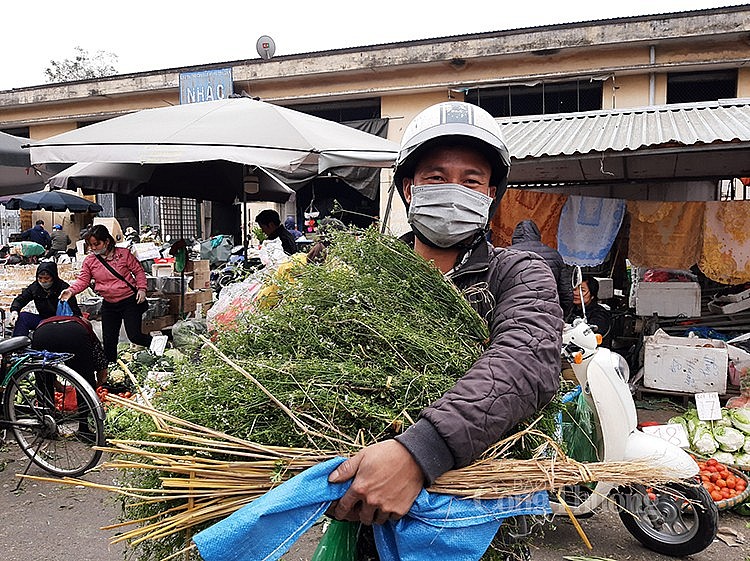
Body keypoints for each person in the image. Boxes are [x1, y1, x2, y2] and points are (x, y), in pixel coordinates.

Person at [327, 102, 563, 529]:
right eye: (435, 177)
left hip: (473, 517)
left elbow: (525, 360)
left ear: (491, 196)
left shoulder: (516, 272)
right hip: (364, 504)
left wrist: (419, 451)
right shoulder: (367, 274)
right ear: (408, 189)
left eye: (471, 180)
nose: (454, 190)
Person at [60, 224, 152, 363]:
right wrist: (71, 291)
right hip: (109, 304)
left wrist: (141, 289)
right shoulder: (90, 261)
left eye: (96, 244)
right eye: (90, 245)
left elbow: (138, 271)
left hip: (129, 301)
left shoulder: (123, 254)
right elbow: (83, 280)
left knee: (134, 336)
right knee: (109, 340)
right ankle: (110, 369)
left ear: (106, 241)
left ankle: (159, 345)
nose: (93, 248)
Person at [511, 219, 574, 315]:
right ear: (537, 234)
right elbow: (565, 292)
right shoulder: (554, 254)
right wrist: (562, 315)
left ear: (515, 236)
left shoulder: (507, 255)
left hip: (515, 310)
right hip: (547, 311)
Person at [8, 261, 82, 337]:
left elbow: (75, 311)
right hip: (43, 320)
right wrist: (15, 311)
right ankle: (18, 344)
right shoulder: (35, 287)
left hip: (61, 322)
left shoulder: (63, 288)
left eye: (46, 278)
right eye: (40, 278)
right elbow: (21, 299)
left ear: (53, 277)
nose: (43, 281)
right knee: (23, 317)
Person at [566, 275, 612, 347]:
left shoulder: (600, 313)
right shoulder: (570, 309)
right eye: (574, 289)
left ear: (592, 295)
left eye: (582, 290)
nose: (576, 293)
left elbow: (591, 334)